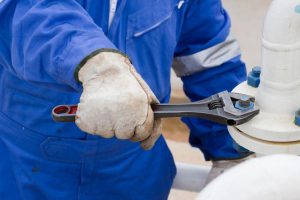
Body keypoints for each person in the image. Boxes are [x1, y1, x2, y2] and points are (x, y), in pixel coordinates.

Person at [0, 0, 252, 199]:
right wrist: (96, 63)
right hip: (26, 169)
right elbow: (24, 11)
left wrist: (231, 151)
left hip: (136, 168)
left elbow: (208, 57)